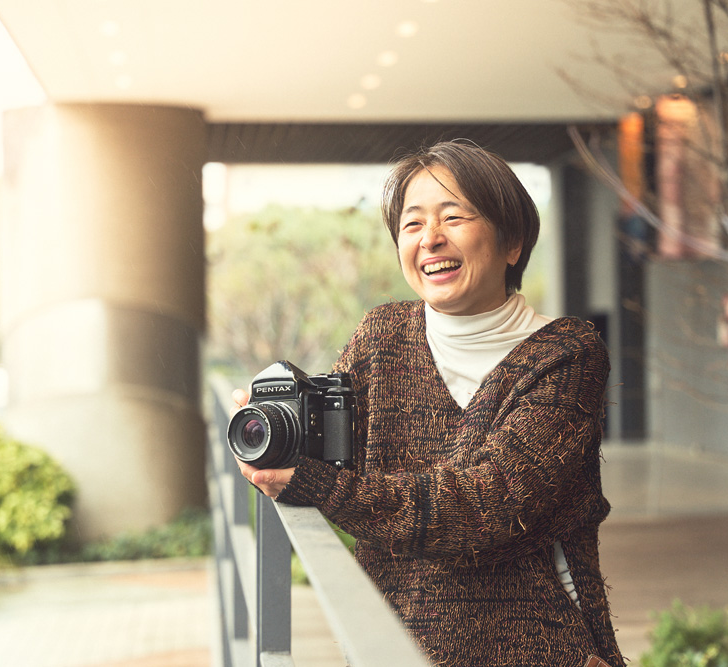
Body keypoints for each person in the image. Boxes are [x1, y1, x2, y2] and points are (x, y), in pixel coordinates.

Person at [234, 140, 624, 667]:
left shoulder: (566, 354)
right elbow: (330, 451)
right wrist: (274, 435)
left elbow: (488, 506)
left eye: (454, 217)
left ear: (512, 241)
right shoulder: (383, 336)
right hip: (394, 643)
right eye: (412, 225)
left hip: (541, 648)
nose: (430, 239)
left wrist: (315, 482)